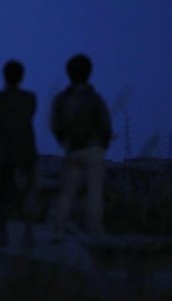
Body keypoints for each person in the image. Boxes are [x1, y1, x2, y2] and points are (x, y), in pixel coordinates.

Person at [50, 54, 112, 241]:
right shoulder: (95, 99)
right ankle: (95, 230)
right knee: (95, 192)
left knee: (67, 192)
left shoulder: (61, 99)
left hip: (73, 151)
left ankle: (58, 230)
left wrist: (66, 144)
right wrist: (102, 146)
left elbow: (56, 126)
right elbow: (105, 125)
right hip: (93, 150)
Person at [0, 60, 38, 247]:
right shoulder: (29, 98)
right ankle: (29, 233)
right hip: (25, 153)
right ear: (21, 77)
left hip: (3, 154)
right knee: (26, 193)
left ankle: (2, 233)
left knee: (1, 194)